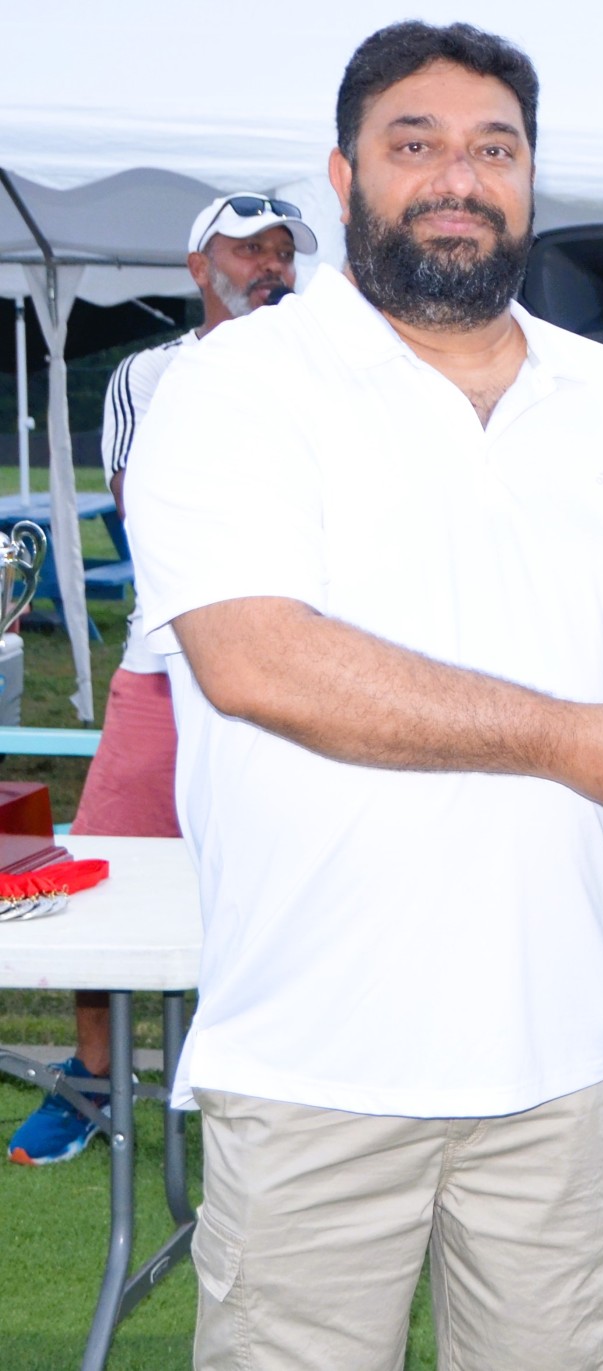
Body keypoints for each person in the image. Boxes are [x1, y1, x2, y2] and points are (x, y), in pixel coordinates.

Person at [123, 23, 603, 1367]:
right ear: (344, 175)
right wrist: (567, 740)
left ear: (531, 180)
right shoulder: (236, 387)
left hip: (570, 1055)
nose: (459, 178)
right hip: (318, 1061)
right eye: (417, 145)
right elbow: (257, 658)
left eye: (494, 150)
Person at [6, 191, 316, 1167]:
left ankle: (288, 1076)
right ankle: (95, 1075)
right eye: (250, 249)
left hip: (306, 666)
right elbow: (149, 513)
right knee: (106, 866)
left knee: (296, 872)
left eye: (283, 251)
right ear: (198, 268)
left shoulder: (337, 369)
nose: (272, 265)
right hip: (168, 663)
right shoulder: (151, 373)